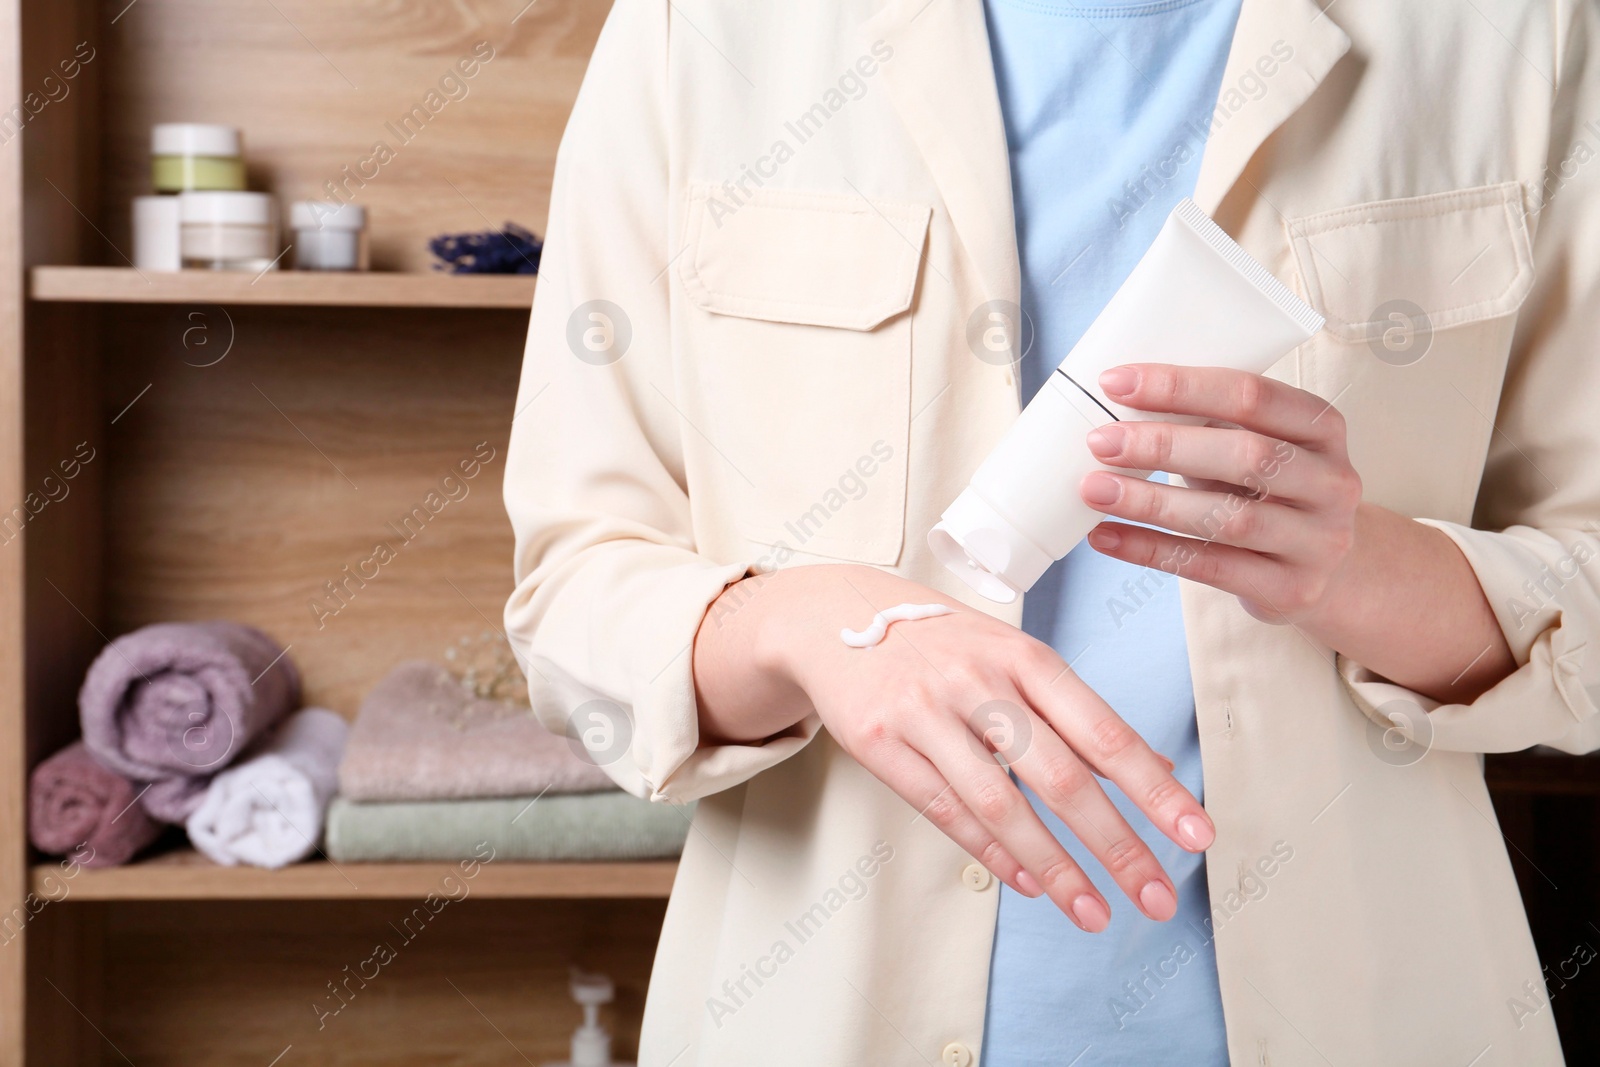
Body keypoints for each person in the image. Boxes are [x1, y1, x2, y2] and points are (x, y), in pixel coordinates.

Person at [503, 0, 1600, 1062]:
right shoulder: (701, 29)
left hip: (1381, 1013)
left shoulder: (1520, 29)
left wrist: (1363, 569)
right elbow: (572, 593)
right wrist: (798, 625)